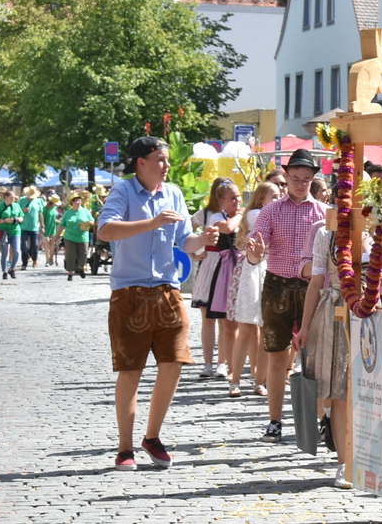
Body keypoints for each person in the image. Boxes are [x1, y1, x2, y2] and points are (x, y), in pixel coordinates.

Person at [95, 135, 204, 470]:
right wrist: (153, 223)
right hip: (130, 293)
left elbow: (185, 241)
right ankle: (124, 448)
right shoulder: (123, 192)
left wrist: (205, 239)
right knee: (131, 370)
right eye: (160, 159)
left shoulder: (173, 193)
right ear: (140, 163)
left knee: (173, 364)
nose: (167, 165)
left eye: (167, 159)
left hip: (168, 291)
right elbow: (105, 231)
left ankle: (152, 437)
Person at [245, 150, 327, 440]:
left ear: (313, 179)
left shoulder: (323, 212)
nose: (300, 184)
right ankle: (275, 420)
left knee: (315, 357)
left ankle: (323, 420)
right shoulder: (271, 211)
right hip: (277, 286)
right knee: (277, 355)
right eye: (295, 179)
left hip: (311, 288)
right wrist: (255, 252)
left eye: (306, 180)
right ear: (286, 177)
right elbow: (256, 244)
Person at [297, 221, 352, 488]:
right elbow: (316, 281)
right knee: (339, 390)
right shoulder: (326, 232)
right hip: (337, 310)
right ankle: (344, 463)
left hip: (376, 309)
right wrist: (305, 327)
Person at [227, 182, 276, 397]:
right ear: (262, 199)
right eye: (274, 195)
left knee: (265, 330)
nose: (279, 198)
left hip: (269, 269)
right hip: (254, 271)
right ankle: (235, 380)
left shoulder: (267, 213)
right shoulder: (257, 214)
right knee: (246, 328)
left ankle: (259, 381)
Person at [190, 179, 241, 381]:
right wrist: (193, 253)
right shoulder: (206, 215)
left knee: (224, 319)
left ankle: (222, 363)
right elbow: (184, 233)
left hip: (228, 265)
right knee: (207, 318)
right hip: (210, 264)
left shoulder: (234, 215)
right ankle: (208, 363)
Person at [60, 192, 96, 279]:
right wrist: (56, 236)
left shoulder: (85, 211)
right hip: (69, 237)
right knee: (70, 255)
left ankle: (81, 267)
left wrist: (88, 223)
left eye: (79, 200)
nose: (78, 202)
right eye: (76, 201)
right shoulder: (68, 213)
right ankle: (70, 273)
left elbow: (92, 221)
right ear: (72, 203)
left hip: (83, 237)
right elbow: (62, 225)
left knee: (83, 254)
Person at [0, 188, 20, 279]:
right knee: (4, 253)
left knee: (17, 251)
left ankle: (12, 268)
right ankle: (4, 271)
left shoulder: (16, 205)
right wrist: (5, 220)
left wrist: (16, 219)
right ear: (6, 197)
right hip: (3, 232)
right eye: (12, 197)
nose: (13, 199)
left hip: (15, 231)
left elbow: (22, 217)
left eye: (14, 197)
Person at [16, 184, 42, 269]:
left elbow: (40, 214)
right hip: (23, 227)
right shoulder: (21, 200)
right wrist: (23, 211)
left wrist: (42, 225)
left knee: (35, 245)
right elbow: (16, 211)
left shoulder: (38, 201)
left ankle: (34, 260)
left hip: (34, 227)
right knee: (24, 246)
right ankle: (24, 263)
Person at [41, 193, 61, 267]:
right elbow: (42, 219)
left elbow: (53, 219)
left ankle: (51, 258)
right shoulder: (45, 209)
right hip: (46, 229)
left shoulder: (54, 208)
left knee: (52, 244)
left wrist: (59, 222)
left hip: (53, 229)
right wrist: (42, 227)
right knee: (47, 244)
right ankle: (47, 260)